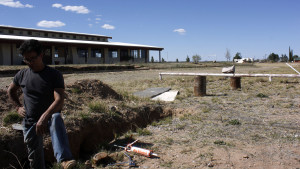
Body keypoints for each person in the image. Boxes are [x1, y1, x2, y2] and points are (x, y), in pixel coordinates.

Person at [7, 39, 76, 169]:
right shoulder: (22, 74)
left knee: (56, 118)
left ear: (41, 55)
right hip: (30, 122)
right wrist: (17, 107)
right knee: (35, 161)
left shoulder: (53, 74)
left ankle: (65, 159)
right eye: (26, 60)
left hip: (49, 119)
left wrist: (44, 116)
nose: (30, 63)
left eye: (33, 58)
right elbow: (10, 91)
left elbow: (59, 99)